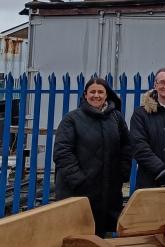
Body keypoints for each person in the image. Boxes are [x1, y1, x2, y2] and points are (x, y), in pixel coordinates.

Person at [54, 77, 132, 237]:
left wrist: (123, 172)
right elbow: (62, 152)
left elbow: (127, 146)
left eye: (100, 92)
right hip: (78, 191)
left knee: (102, 234)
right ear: (85, 94)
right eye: (92, 92)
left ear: (106, 95)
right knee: (77, 235)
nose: (96, 95)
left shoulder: (116, 118)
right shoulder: (72, 119)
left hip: (108, 191)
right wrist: (79, 180)